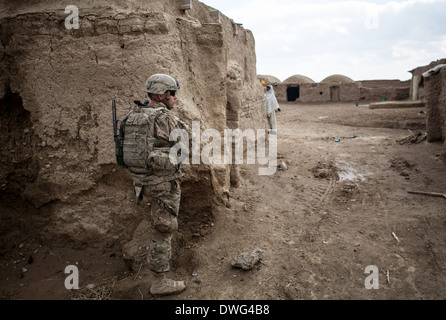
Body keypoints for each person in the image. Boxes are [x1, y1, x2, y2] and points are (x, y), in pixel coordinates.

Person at [123, 73, 192, 296]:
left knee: (158, 226)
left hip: (141, 182)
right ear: (161, 94)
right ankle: (159, 281)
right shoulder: (164, 118)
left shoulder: (133, 115)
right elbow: (188, 142)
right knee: (163, 229)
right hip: (163, 182)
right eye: (173, 94)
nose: (176, 98)